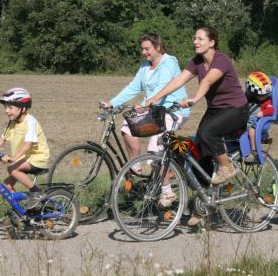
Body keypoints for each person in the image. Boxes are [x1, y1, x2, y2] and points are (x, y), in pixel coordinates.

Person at [147, 26, 249, 188]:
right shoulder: (197, 62)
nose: (195, 42)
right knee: (200, 147)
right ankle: (205, 197)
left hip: (236, 109)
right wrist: (155, 97)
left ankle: (227, 167)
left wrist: (194, 98)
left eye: (200, 39)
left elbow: (208, 80)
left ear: (212, 42)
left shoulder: (221, 59)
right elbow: (178, 81)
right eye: (195, 38)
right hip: (216, 109)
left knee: (207, 132)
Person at [101, 33, 190, 207]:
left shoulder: (168, 63)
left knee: (155, 150)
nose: (144, 52)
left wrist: (143, 105)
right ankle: (135, 168)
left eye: (147, 48)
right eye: (142, 49)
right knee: (127, 127)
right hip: (154, 110)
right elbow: (132, 88)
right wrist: (112, 104)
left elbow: (162, 87)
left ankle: (167, 193)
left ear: (158, 47)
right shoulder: (144, 67)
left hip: (173, 111)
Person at [0, 88, 50, 209]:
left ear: (23, 108)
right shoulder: (12, 122)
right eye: (5, 107)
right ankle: (21, 213)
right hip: (23, 159)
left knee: (12, 169)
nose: (7, 111)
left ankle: (36, 192)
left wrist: (12, 158)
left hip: (38, 158)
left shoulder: (30, 121)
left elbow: (28, 145)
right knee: (7, 186)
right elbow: (2, 139)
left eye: (10, 108)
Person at [243, 71, 274, 164]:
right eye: (262, 95)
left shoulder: (266, 100)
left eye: (266, 95)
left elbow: (271, 110)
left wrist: (263, 112)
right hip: (250, 119)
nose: (265, 96)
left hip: (260, 122)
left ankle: (254, 150)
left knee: (251, 129)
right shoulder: (248, 96)